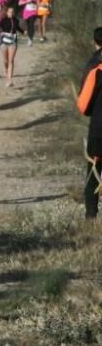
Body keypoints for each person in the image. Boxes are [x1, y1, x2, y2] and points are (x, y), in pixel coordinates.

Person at [78, 27, 102, 219]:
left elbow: (83, 103)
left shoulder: (95, 66)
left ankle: (91, 215)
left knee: (94, 170)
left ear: (95, 42)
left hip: (99, 126)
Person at [0, 6, 24, 88]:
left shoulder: (16, 20)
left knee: (11, 60)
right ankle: (6, 69)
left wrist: (23, 31)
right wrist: (1, 33)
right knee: (5, 61)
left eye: (12, 12)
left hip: (13, 42)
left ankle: (9, 80)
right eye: (9, 12)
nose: (11, 13)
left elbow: (17, 28)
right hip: (4, 42)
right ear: (6, 12)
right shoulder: (3, 20)